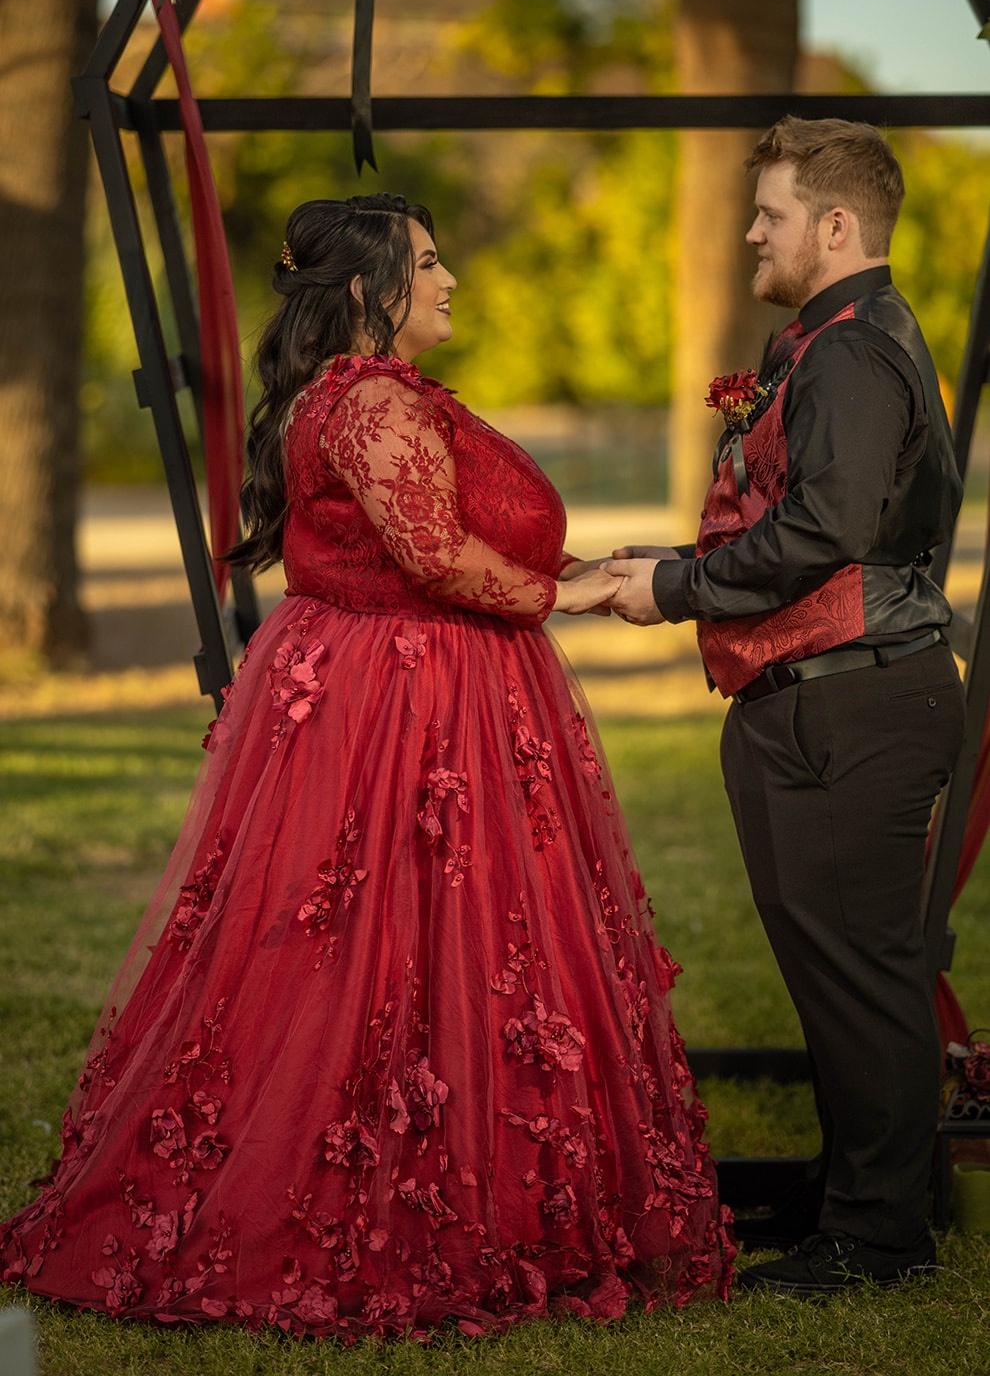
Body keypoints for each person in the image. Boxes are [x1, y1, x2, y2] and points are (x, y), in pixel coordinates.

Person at [0, 194, 733, 1338]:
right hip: (402, 698)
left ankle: (453, 1163)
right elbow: (436, 555)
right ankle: (360, 1190)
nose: (449, 281)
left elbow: (441, 532)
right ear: (366, 289)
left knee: (429, 937)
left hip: (409, 679)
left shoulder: (366, 397)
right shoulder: (372, 401)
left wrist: (592, 563)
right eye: (429, 263)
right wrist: (572, 592)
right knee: (372, 938)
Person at [605, 117, 965, 1296]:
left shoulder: (854, 353)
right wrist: (663, 558)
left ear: (835, 225)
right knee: (845, 973)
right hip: (825, 703)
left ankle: (879, 1242)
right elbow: (801, 512)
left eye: (769, 213)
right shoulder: (838, 345)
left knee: (865, 976)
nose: (751, 230)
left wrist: (678, 588)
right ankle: (861, 1197)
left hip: (851, 708)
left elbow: (827, 533)